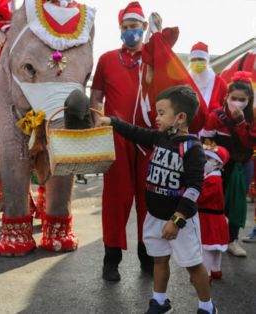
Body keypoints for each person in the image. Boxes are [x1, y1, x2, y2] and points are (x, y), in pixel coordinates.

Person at [98, 85, 216, 314]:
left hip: (180, 222)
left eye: (162, 113)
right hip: (154, 217)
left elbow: (194, 189)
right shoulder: (159, 138)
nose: (156, 117)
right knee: (159, 260)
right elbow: (134, 132)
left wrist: (178, 219)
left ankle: (207, 306)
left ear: (180, 117)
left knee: (193, 265)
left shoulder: (193, 149)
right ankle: (160, 302)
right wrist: (111, 121)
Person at [90, 1, 159, 281]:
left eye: (136, 27)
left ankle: (148, 256)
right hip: (115, 136)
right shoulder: (106, 59)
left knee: (149, 199)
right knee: (115, 199)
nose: (131, 32)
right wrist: (97, 121)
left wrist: (160, 37)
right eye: (126, 27)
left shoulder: (154, 58)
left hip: (148, 139)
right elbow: (95, 96)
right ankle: (111, 260)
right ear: (120, 29)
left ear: (144, 28)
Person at [200, 71, 256, 257]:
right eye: (234, 98)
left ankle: (232, 240)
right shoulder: (216, 116)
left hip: (243, 165)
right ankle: (213, 238)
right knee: (217, 201)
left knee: (237, 202)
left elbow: (250, 143)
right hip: (219, 165)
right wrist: (218, 155)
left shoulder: (252, 118)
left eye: (242, 99)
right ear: (227, 97)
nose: (237, 102)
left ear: (249, 100)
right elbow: (204, 141)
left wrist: (240, 121)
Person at [198, 144, 229, 282]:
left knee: (208, 248)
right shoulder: (214, 177)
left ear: (219, 164)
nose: (205, 160)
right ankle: (216, 270)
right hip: (216, 217)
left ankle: (206, 274)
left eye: (209, 158)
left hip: (210, 218)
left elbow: (201, 197)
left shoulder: (212, 180)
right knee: (216, 248)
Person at [188, 42, 228, 112]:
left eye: (200, 59)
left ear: (207, 61)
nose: (197, 62)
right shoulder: (185, 82)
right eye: (193, 60)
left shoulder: (219, 83)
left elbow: (226, 108)